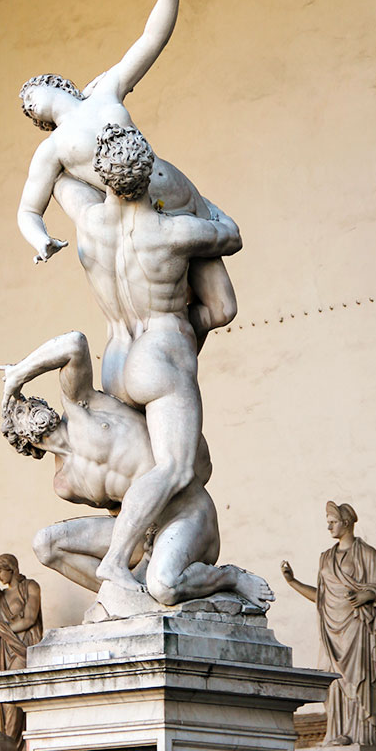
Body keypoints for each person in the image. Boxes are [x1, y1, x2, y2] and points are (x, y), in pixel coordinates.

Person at [17, 0, 239, 350]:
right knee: (192, 314)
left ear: (56, 83)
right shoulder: (53, 148)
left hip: (181, 195)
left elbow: (151, 40)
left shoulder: (106, 89)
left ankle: (171, 349)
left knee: (223, 308)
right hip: (149, 220)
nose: (29, 102)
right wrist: (40, 239)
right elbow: (28, 208)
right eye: (28, 107)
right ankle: (163, 352)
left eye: (32, 92)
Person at [41, 125, 239, 589]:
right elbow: (229, 234)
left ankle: (150, 555)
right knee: (176, 467)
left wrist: (66, 139)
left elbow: (60, 177)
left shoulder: (89, 219)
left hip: (116, 355)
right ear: (147, 172)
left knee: (143, 465)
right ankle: (116, 560)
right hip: (160, 350)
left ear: (105, 177)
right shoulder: (174, 231)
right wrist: (186, 192)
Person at [0, 330, 273, 610]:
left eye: (29, 400)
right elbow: (118, 509)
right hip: (144, 533)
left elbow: (74, 343)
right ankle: (130, 594)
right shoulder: (64, 483)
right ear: (21, 440)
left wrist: (19, 374)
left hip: (186, 512)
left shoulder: (80, 403)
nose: (29, 405)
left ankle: (228, 577)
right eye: (19, 411)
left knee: (165, 586)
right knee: (45, 544)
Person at [281, 502, 376, 745]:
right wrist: (293, 582)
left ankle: (362, 733)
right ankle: (337, 731)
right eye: (328, 521)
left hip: (357, 626)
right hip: (331, 630)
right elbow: (321, 597)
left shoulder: (367, 554)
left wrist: (366, 595)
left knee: (358, 677)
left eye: (333, 520)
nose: (328, 525)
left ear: (347, 522)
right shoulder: (326, 558)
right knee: (333, 680)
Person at [0, 554, 43, 751]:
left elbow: (29, 619)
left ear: (11, 568)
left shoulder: (30, 587)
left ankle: (16, 749)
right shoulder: (0, 596)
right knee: (5, 701)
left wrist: (2, 631)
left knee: (15, 696)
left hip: (22, 648)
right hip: (3, 652)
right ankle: (13, 747)